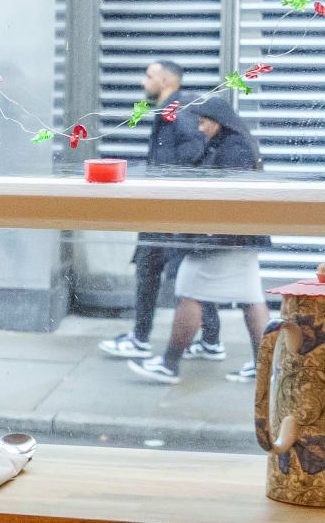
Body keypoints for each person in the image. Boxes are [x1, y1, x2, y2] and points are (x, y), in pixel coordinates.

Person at [133, 84, 273, 387]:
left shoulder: (232, 148)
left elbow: (226, 195)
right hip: (238, 240)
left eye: (202, 122)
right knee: (251, 298)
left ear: (216, 121)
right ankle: (266, 367)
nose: (198, 127)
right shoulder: (232, 143)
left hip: (223, 240)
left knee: (189, 291)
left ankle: (170, 364)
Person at [104, 60, 217, 362]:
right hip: (166, 209)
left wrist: (168, 186)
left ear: (166, 81)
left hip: (169, 210)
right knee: (169, 271)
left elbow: (195, 149)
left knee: (160, 271)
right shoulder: (173, 109)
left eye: (149, 76)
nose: (144, 82)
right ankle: (209, 340)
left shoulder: (177, 110)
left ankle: (143, 339)